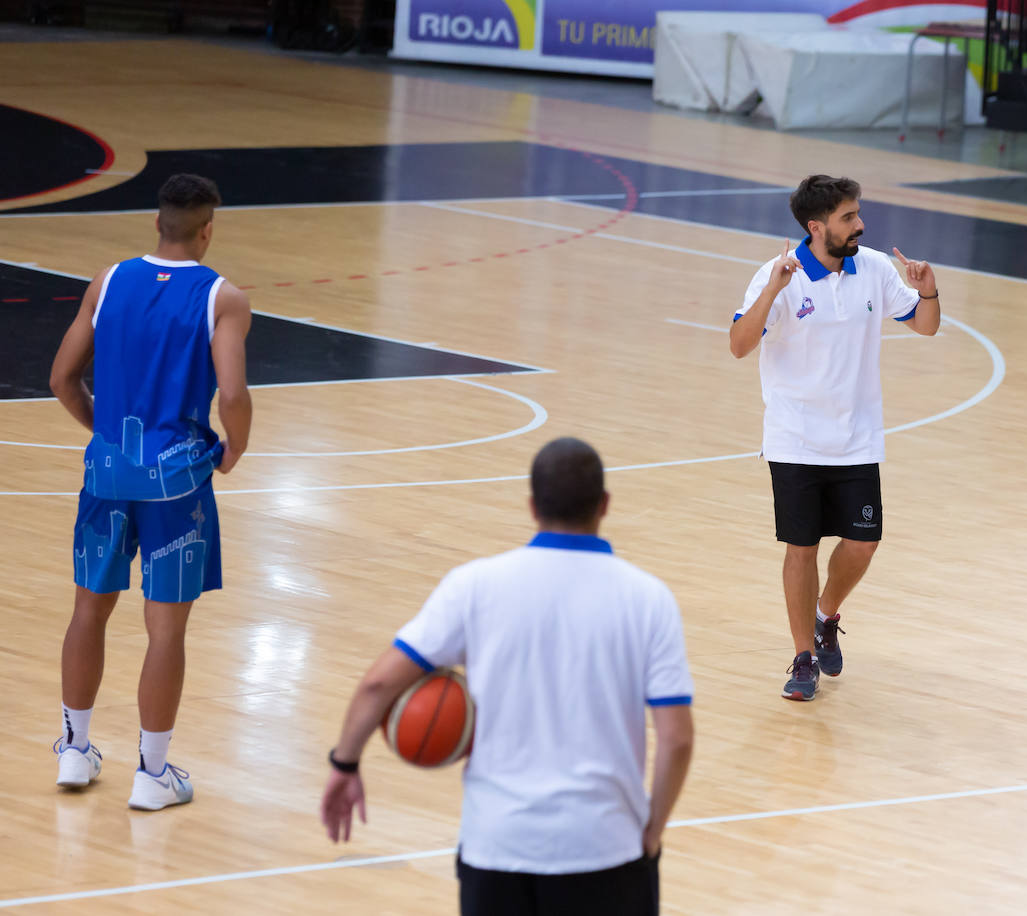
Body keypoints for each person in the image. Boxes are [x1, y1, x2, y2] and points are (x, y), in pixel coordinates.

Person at [320, 437, 695, 916]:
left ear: (532, 506)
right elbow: (677, 738)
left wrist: (345, 764)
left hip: (496, 846)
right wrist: (652, 828)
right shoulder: (648, 598)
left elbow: (378, 684)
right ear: (604, 505)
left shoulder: (474, 586)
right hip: (605, 846)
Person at [48, 173, 253, 810]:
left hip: (107, 474)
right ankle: (152, 774)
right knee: (165, 630)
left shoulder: (106, 282)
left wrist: (105, 435)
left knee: (89, 610)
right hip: (177, 484)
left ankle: (75, 752)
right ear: (208, 229)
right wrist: (231, 452)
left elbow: (61, 378)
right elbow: (232, 394)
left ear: (156, 222)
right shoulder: (223, 297)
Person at [730, 175, 941, 702]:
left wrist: (928, 287)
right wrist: (774, 291)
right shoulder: (778, 275)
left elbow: (927, 327)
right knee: (800, 548)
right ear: (816, 226)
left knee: (863, 542)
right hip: (795, 438)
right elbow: (738, 345)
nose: (861, 224)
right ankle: (803, 659)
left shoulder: (871, 267)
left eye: (858, 213)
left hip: (856, 437)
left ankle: (826, 615)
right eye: (850, 216)